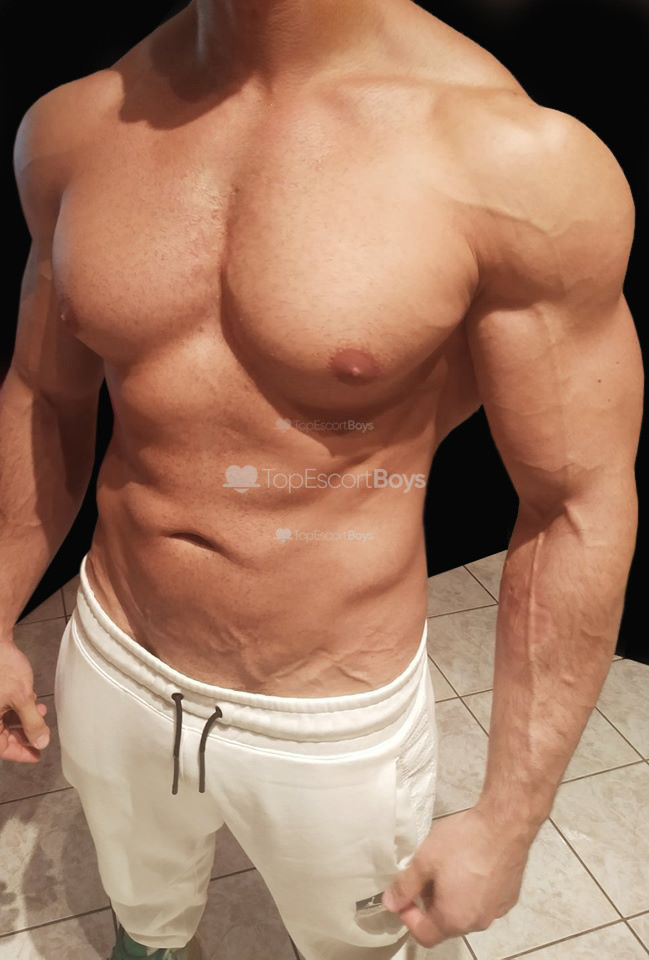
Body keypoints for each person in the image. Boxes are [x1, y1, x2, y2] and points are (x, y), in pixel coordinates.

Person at [0, 0, 643, 957]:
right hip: (111, 659)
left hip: (328, 721)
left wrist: (509, 819)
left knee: (349, 949)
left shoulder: (508, 160)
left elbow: (572, 506)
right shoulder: (75, 126)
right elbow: (42, 396)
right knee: (143, 918)